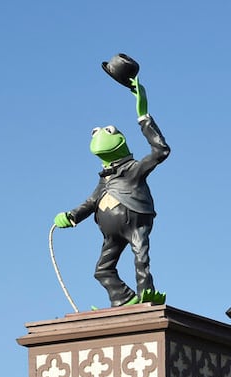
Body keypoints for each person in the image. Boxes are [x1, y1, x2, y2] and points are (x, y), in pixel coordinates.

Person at [54, 76, 170, 307]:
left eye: (106, 131)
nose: (98, 134)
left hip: (135, 217)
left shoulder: (134, 169)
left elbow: (161, 151)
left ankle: (146, 293)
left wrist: (143, 116)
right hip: (111, 232)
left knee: (140, 255)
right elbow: (90, 202)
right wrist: (71, 215)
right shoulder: (104, 179)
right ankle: (123, 299)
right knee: (102, 269)